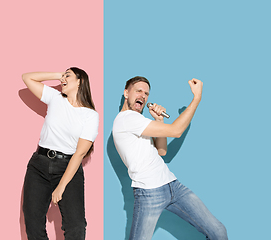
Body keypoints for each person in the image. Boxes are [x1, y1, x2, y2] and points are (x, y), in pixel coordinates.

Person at [112, 76, 228, 240]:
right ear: (126, 93)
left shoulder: (138, 121)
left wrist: (158, 120)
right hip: (149, 192)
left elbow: (161, 151)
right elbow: (176, 131)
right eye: (138, 91)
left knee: (218, 232)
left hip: (173, 186)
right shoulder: (126, 119)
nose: (143, 96)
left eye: (146, 94)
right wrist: (196, 99)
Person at [21, 67, 99, 240]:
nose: (63, 79)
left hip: (68, 167)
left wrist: (61, 187)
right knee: (33, 223)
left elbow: (79, 154)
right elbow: (27, 77)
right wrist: (59, 76)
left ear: (80, 81)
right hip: (38, 165)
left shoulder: (90, 115)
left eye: (68, 75)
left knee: (75, 226)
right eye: (63, 75)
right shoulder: (55, 98)